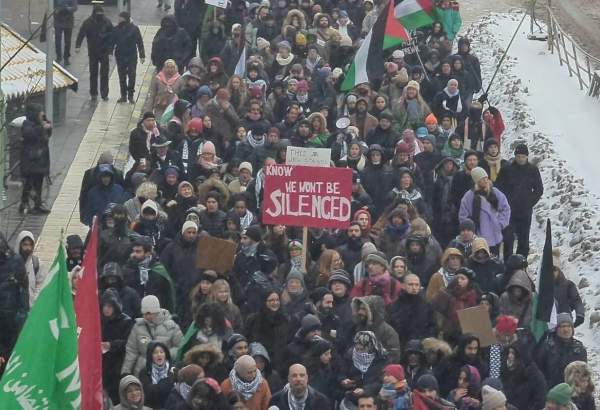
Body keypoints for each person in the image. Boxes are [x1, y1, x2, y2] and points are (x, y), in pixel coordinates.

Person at [496, 143, 543, 259]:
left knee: (524, 239)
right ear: (515, 156)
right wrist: (503, 202)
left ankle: (521, 264)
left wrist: (529, 202)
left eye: (523, 156)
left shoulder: (533, 170)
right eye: (518, 156)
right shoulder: (507, 169)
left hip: (525, 211)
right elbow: (498, 188)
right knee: (508, 238)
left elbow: (539, 189)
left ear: (527, 157)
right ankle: (507, 263)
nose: (520, 159)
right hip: (509, 211)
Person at [121, 295, 183, 376]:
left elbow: (180, 347)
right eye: (144, 313)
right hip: (142, 372)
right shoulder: (138, 327)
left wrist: (163, 355)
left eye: (149, 313)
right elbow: (131, 351)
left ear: (156, 311)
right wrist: (126, 372)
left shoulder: (171, 326)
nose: (146, 316)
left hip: (165, 372)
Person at [459, 167, 510, 256]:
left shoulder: (495, 192)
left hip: (495, 234)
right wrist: (470, 231)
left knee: (494, 259)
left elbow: (505, 208)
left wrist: (501, 223)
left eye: (486, 178)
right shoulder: (469, 196)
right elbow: (463, 216)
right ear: (477, 181)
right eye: (482, 179)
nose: (485, 181)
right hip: (477, 236)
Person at [536, 313, 588, 388]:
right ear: (556, 329)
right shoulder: (547, 347)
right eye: (562, 326)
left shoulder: (579, 348)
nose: (566, 330)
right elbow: (539, 371)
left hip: (573, 391)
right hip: (551, 391)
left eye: (569, 326)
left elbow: (584, 374)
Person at [101, 289, 134, 404]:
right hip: (102, 367)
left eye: (109, 306)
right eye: (104, 305)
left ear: (115, 306)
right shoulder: (99, 320)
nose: (106, 309)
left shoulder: (126, 321)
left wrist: (111, 345)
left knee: (118, 400)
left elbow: (130, 343)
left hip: (118, 366)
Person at [0, 233, 28, 367]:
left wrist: (23, 314)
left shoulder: (15, 261)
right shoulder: (15, 259)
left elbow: (24, 289)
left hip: (10, 320)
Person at [75, 4, 114, 101]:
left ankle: (104, 94)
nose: (99, 15)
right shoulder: (88, 22)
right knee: (93, 73)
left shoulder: (106, 22)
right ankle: (94, 93)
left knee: (104, 74)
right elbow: (81, 34)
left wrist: (110, 51)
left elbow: (112, 36)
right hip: (93, 52)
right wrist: (78, 45)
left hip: (103, 51)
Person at [386, 273, 436, 347]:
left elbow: (432, 326)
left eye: (416, 285)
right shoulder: (394, 306)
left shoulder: (426, 305)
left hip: (421, 345)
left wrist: (426, 340)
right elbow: (391, 327)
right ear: (403, 286)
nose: (414, 287)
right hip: (401, 345)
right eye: (410, 284)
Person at [20, 103, 52, 214]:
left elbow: (48, 134)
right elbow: (29, 134)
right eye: (40, 113)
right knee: (29, 183)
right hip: (31, 160)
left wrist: (46, 122)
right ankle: (24, 203)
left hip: (41, 160)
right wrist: (41, 127)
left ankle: (37, 204)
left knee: (39, 182)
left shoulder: (40, 123)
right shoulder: (27, 124)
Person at [113, 12, 145, 104]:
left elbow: (140, 42)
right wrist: (110, 51)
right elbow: (112, 41)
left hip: (131, 55)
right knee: (122, 76)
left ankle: (130, 95)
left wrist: (142, 55)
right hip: (120, 56)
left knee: (132, 75)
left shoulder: (134, 29)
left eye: (120, 18)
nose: (118, 19)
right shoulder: (116, 29)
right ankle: (123, 95)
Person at [138, 341, 176, 409]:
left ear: (166, 354)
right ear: (150, 355)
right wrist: (169, 380)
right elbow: (150, 393)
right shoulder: (144, 372)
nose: (159, 355)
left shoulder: (174, 369)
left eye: (161, 352)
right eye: (155, 353)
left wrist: (158, 387)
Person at [14, 231, 43, 307]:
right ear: (19, 245)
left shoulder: (36, 263)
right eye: (25, 245)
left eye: (30, 245)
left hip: (31, 308)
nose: (28, 248)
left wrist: (35, 300)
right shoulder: (10, 263)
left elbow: (41, 284)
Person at [54, 0, 76, 66]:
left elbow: (75, 7)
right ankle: (58, 57)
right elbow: (53, 7)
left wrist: (67, 8)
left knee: (68, 41)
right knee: (57, 40)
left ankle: (66, 58)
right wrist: (57, 10)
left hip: (68, 21)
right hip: (58, 21)